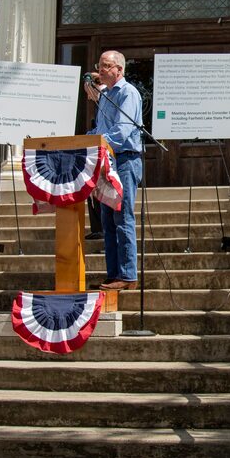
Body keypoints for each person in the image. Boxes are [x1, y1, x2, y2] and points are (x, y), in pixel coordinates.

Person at [83, 50, 143, 291]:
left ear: (120, 70)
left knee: (122, 217)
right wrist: (82, 141)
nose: (102, 69)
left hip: (125, 160)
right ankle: (113, 273)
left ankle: (128, 276)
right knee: (107, 220)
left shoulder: (128, 93)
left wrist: (94, 140)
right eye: (100, 65)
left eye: (107, 66)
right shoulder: (105, 96)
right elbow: (101, 129)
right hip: (106, 161)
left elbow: (121, 132)